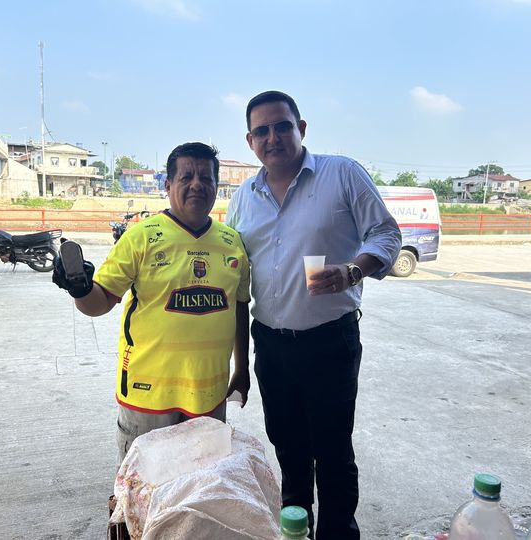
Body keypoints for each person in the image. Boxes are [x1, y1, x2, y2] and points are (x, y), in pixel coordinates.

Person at [226, 91, 402, 540]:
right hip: (271, 344)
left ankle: (338, 532)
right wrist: (239, 364)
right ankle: (296, 528)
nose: (273, 137)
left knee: (333, 450)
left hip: (329, 342)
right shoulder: (243, 198)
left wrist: (352, 271)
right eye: (262, 131)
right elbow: (236, 274)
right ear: (250, 141)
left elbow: (386, 234)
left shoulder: (341, 174)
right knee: (288, 447)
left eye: (282, 126)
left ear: (301, 128)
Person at [52, 142, 251, 461]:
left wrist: (242, 368)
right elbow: (98, 304)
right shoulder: (140, 237)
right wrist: (79, 288)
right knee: (142, 486)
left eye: (206, 177)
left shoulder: (232, 243)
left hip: (209, 396)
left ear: (217, 186)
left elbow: (239, 308)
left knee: (202, 485)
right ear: (168, 185)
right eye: (186, 177)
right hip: (147, 397)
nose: (197, 184)